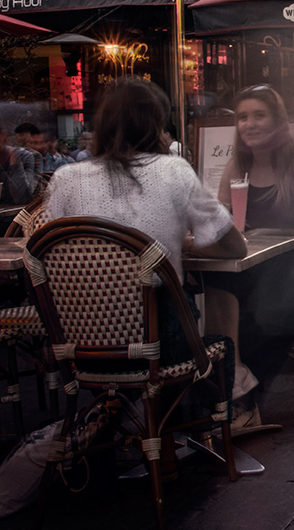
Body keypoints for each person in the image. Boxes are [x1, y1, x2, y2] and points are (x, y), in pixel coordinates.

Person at [42, 78, 246, 375]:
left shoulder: (65, 178)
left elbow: (45, 254)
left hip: (81, 341)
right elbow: (233, 245)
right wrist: (184, 244)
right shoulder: (173, 170)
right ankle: (189, 414)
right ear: (157, 126)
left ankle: (122, 409)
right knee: (220, 338)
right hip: (159, 341)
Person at [204, 84, 294, 426]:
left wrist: (283, 237)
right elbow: (223, 224)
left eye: (259, 115)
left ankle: (241, 401)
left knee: (265, 304)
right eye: (242, 117)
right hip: (253, 268)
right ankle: (233, 381)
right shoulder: (236, 167)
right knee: (215, 280)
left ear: (277, 121)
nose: (249, 124)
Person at [0, 121, 37, 233]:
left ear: (3, 134)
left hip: (16, 223)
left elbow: (21, 198)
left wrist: (15, 164)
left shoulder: (24, 157)